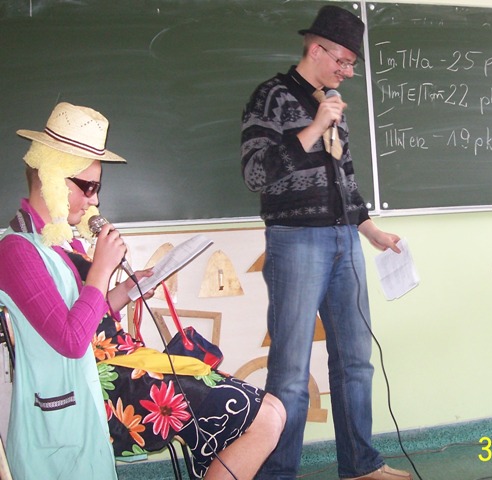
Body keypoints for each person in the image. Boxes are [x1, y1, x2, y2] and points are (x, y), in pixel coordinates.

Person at [0, 102, 286, 480]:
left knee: (272, 411)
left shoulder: (61, 240)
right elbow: (70, 341)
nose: (94, 200)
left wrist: (126, 291)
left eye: (97, 188)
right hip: (98, 389)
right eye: (88, 187)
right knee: (265, 417)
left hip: (119, 368)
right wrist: (101, 271)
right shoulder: (16, 250)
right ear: (53, 176)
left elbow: (86, 315)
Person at [241, 6, 411, 480]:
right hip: (296, 241)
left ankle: (360, 465)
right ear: (316, 49)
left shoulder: (332, 100)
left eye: (352, 64)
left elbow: (345, 177)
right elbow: (254, 173)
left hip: (345, 240)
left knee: (356, 361)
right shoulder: (271, 97)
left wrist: (370, 230)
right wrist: (314, 127)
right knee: (291, 372)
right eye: (343, 61)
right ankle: (278, 473)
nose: (348, 72)